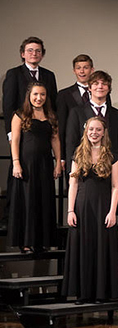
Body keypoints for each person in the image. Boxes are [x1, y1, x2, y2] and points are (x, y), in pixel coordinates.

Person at [63, 116, 118, 304]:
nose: (94, 133)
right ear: (85, 132)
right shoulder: (78, 154)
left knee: (101, 249)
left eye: (98, 130)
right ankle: (83, 293)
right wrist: (70, 210)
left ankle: (100, 293)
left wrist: (112, 212)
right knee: (83, 248)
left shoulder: (112, 155)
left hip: (103, 208)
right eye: (91, 130)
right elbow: (72, 184)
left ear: (104, 132)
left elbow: (115, 186)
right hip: (82, 207)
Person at [9, 83, 61, 252]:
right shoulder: (20, 114)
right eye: (36, 94)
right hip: (26, 164)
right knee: (27, 201)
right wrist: (16, 163)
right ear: (29, 96)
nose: (39, 98)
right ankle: (25, 242)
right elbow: (15, 140)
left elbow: (55, 140)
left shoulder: (51, 115)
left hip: (45, 164)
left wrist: (58, 161)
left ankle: (42, 241)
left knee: (44, 200)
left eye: (43, 95)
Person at [64, 71, 118, 191]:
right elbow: (71, 144)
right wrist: (71, 173)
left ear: (109, 88)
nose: (100, 86)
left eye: (104, 84)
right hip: (85, 171)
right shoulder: (77, 112)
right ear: (89, 88)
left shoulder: (117, 114)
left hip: (111, 170)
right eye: (96, 83)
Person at [4, 37, 58, 140]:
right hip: (21, 129)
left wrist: (53, 127)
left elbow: (53, 103)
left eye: (38, 51)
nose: (34, 54)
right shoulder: (14, 74)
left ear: (42, 55)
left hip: (44, 129)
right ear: (22, 54)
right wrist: (10, 132)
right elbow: (8, 105)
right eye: (30, 50)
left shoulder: (49, 75)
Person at [55, 54, 94, 157]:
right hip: (74, 149)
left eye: (85, 68)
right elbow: (61, 126)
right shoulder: (64, 95)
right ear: (74, 71)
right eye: (78, 68)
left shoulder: (101, 93)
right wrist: (62, 156)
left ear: (92, 70)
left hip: (97, 148)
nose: (82, 71)